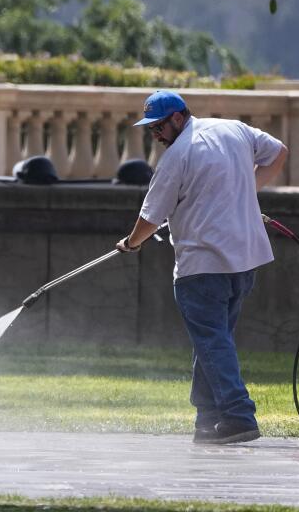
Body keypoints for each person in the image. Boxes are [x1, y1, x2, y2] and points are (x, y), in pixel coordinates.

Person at [114, 90, 288, 445]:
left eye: (158, 127)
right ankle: (207, 420)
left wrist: (131, 243)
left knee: (212, 342)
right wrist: (246, 190)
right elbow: (279, 152)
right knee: (212, 341)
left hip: (203, 266)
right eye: (150, 130)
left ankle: (239, 417)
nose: (156, 135)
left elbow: (150, 218)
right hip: (244, 262)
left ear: (178, 118)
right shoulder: (232, 129)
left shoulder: (176, 157)